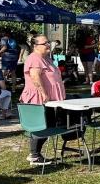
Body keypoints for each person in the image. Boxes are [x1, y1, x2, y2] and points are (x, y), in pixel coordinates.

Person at [20, 34, 70, 165]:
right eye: (45, 43)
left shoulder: (46, 58)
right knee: (42, 126)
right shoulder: (35, 58)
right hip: (38, 99)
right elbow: (35, 77)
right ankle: (34, 155)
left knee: (51, 125)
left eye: (48, 42)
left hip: (49, 100)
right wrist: (43, 93)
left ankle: (35, 154)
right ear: (35, 46)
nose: (48, 45)